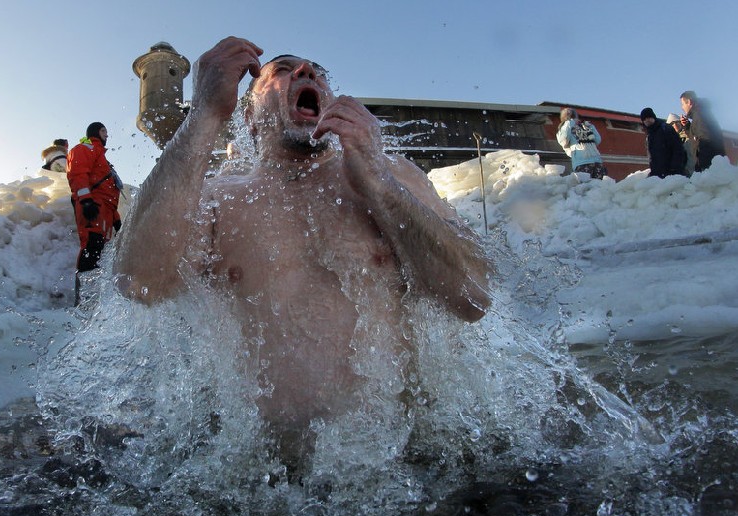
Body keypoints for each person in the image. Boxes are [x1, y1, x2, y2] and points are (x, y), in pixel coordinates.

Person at [114, 37, 491, 463]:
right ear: (250, 116)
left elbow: (473, 296)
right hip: (265, 480)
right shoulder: (219, 199)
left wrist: (378, 184)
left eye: (316, 72)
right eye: (282, 70)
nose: (306, 72)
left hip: (401, 466)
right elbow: (139, 282)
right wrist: (203, 114)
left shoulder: (393, 175)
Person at [66, 122, 124, 298]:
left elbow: (110, 195)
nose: (107, 134)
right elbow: (77, 173)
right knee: (91, 246)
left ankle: (96, 300)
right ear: (95, 132)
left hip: (105, 211)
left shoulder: (103, 158)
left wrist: (116, 220)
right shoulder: (85, 148)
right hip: (93, 207)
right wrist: (85, 201)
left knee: (102, 253)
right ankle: (84, 301)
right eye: (104, 131)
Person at [679, 91, 726, 173]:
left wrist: (702, 167)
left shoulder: (699, 116)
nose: (682, 107)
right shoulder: (700, 114)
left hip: (709, 169)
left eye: (682, 104)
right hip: (712, 166)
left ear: (689, 102)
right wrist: (687, 126)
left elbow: (706, 141)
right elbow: (696, 138)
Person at [556, 108, 607, 179]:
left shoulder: (565, 129)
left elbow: (563, 140)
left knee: (584, 188)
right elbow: (597, 140)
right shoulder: (585, 127)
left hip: (582, 163)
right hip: (597, 162)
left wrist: (568, 122)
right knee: (599, 187)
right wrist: (591, 127)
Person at [640, 108, 687, 178]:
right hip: (659, 174)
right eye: (644, 119)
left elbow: (678, 149)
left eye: (649, 117)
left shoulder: (665, 128)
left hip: (672, 173)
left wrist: (675, 168)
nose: (647, 120)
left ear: (653, 117)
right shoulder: (649, 136)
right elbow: (652, 158)